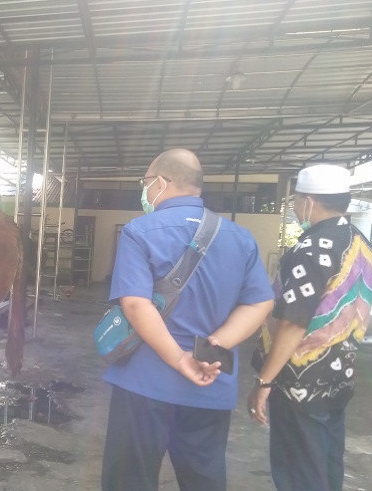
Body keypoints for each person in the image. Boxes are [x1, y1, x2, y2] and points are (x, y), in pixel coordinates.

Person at [102, 148, 275, 491]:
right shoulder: (240, 238)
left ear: (161, 183)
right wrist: (214, 345)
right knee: (204, 479)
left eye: (145, 183)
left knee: (129, 480)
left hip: (143, 384)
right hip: (210, 383)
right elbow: (261, 302)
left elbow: (135, 304)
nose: (145, 191)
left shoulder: (140, 231)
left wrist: (180, 359)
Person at [248, 164, 372, 491]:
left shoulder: (312, 249)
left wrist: (265, 380)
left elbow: (294, 322)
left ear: (309, 201)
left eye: (295, 200)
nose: (294, 207)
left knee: (299, 471)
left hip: (300, 383)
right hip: (338, 378)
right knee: (326, 461)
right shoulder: (360, 243)